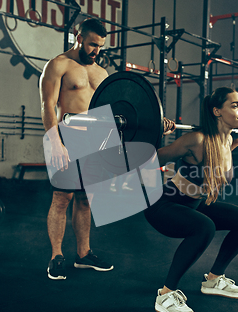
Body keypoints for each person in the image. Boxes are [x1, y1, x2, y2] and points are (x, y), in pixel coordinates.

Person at [40, 19, 176, 280]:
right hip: (67, 137)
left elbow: (118, 116)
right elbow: (47, 105)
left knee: (85, 199)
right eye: (92, 44)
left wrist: (157, 126)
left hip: (95, 140)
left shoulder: (103, 75)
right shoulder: (59, 65)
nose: (96, 51)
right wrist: (54, 141)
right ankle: (56, 255)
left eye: (100, 46)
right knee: (62, 198)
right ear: (79, 38)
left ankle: (83, 254)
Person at [144, 87, 238, 312]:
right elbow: (149, 158)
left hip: (193, 205)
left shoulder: (226, 140)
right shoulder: (195, 140)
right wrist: (156, 132)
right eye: (235, 105)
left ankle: (214, 279)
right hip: (163, 205)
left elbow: (216, 158)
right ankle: (165, 295)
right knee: (204, 227)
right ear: (217, 111)